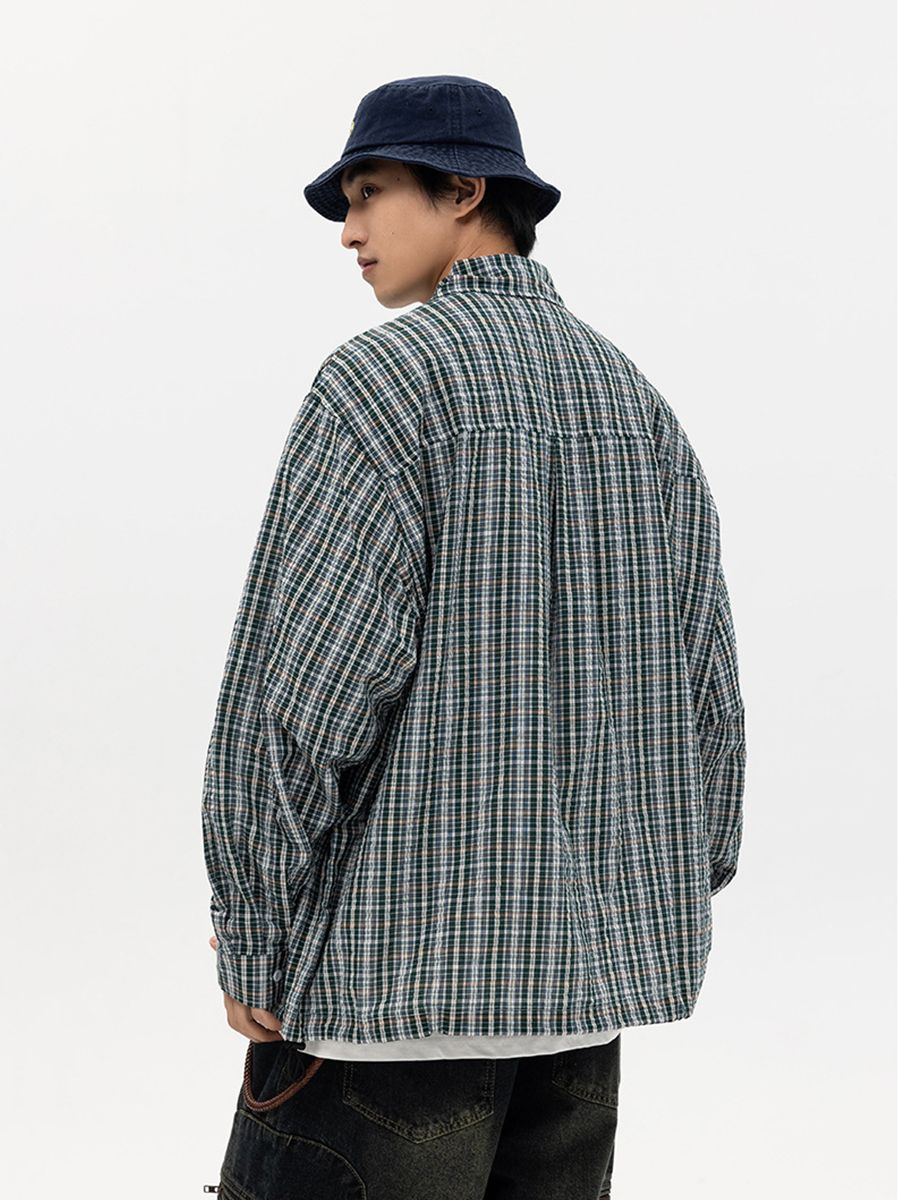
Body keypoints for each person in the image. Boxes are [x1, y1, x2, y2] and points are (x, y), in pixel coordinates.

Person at [201, 74, 746, 1200]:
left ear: (463, 191)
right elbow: (708, 696)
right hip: (585, 1008)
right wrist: (669, 888)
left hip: (391, 1003)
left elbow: (301, 695)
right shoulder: (633, 401)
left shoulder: (382, 387)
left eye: (368, 192)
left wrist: (256, 926)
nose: (347, 231)